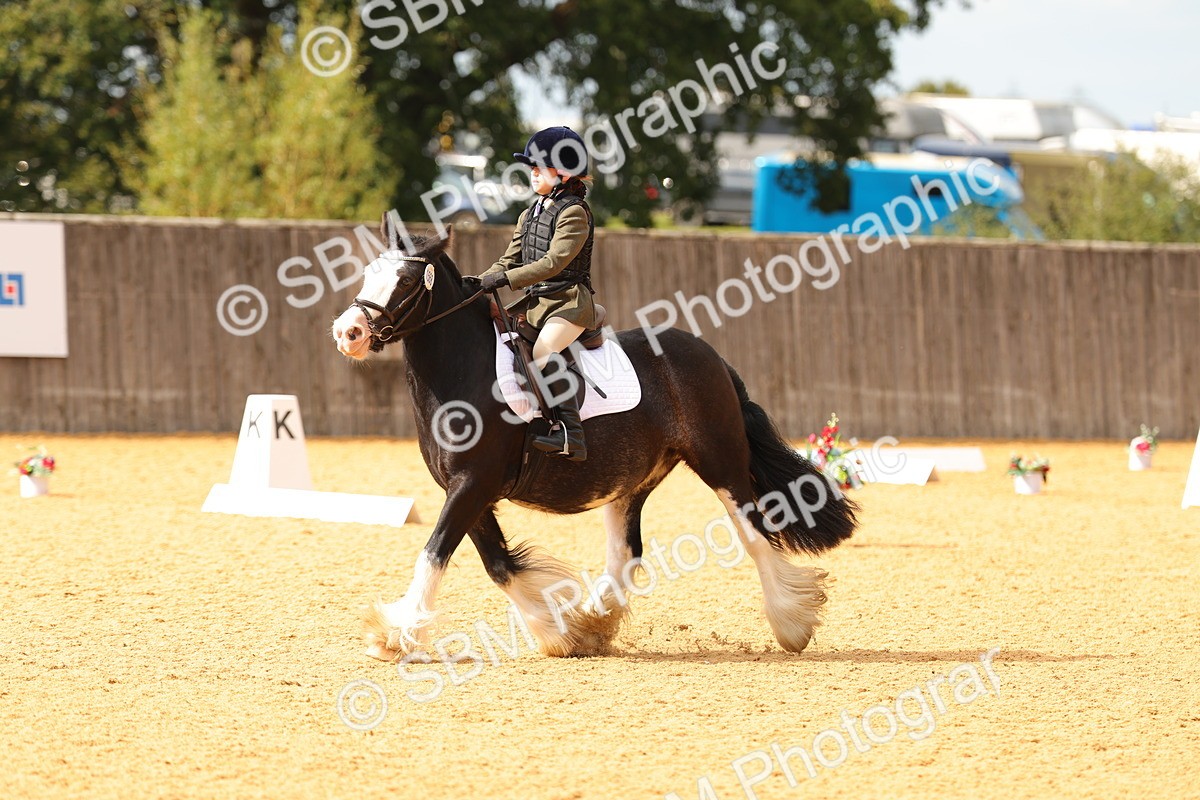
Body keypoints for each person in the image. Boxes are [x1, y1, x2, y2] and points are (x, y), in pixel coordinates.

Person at [470, 126, 597, 462]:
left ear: (564, 173)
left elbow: (553, 263)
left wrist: (504, 280)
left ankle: (571, 433)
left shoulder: (574, 213)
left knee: (543, 349)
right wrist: (475, 284)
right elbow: (508, 259)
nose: (533, 174)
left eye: (539, 168)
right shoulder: (529, 214)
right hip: (536, 303)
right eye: (532, 168)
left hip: (568, 303)